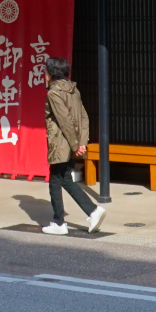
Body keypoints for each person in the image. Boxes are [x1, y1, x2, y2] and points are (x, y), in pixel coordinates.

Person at [41, 57, 106, 235]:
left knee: (55, 181)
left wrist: (77, 144)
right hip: (72, 143)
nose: (44, 74)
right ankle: (92, 211)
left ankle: (59, 223)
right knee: (65, 179)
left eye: (46, 71)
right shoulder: (73, 90)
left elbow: (64, 121)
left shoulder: (54, 93)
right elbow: (84, 117)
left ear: (51, 73)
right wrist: (81, 142)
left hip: (61, 143)